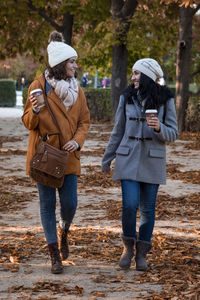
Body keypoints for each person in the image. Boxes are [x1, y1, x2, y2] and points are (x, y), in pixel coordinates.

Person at [22, 31, 90, 274]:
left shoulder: (77, 91)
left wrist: (77, 141)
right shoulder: (38, 86)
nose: (75, 65)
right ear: (61, 64)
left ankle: (65, 229)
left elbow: (85, 122)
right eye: (72, 61)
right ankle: (54, 254)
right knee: (46, 204)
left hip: (69, 155)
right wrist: (37, 110)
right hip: (45, 155)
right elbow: (27, 122)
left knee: (70, 203)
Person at [102, 58, 178, 271]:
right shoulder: (126, 97)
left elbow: (173, 133)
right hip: (127, 157)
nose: (133, 77)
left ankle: (141, 253)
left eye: (136, 74)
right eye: (133, 73)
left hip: (153, 160)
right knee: (129, 205)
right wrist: (107, 158)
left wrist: (158, 127)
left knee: (148, 210)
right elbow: (118, 130)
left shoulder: (166, 99)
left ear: (147, 76)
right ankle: (128, 246)